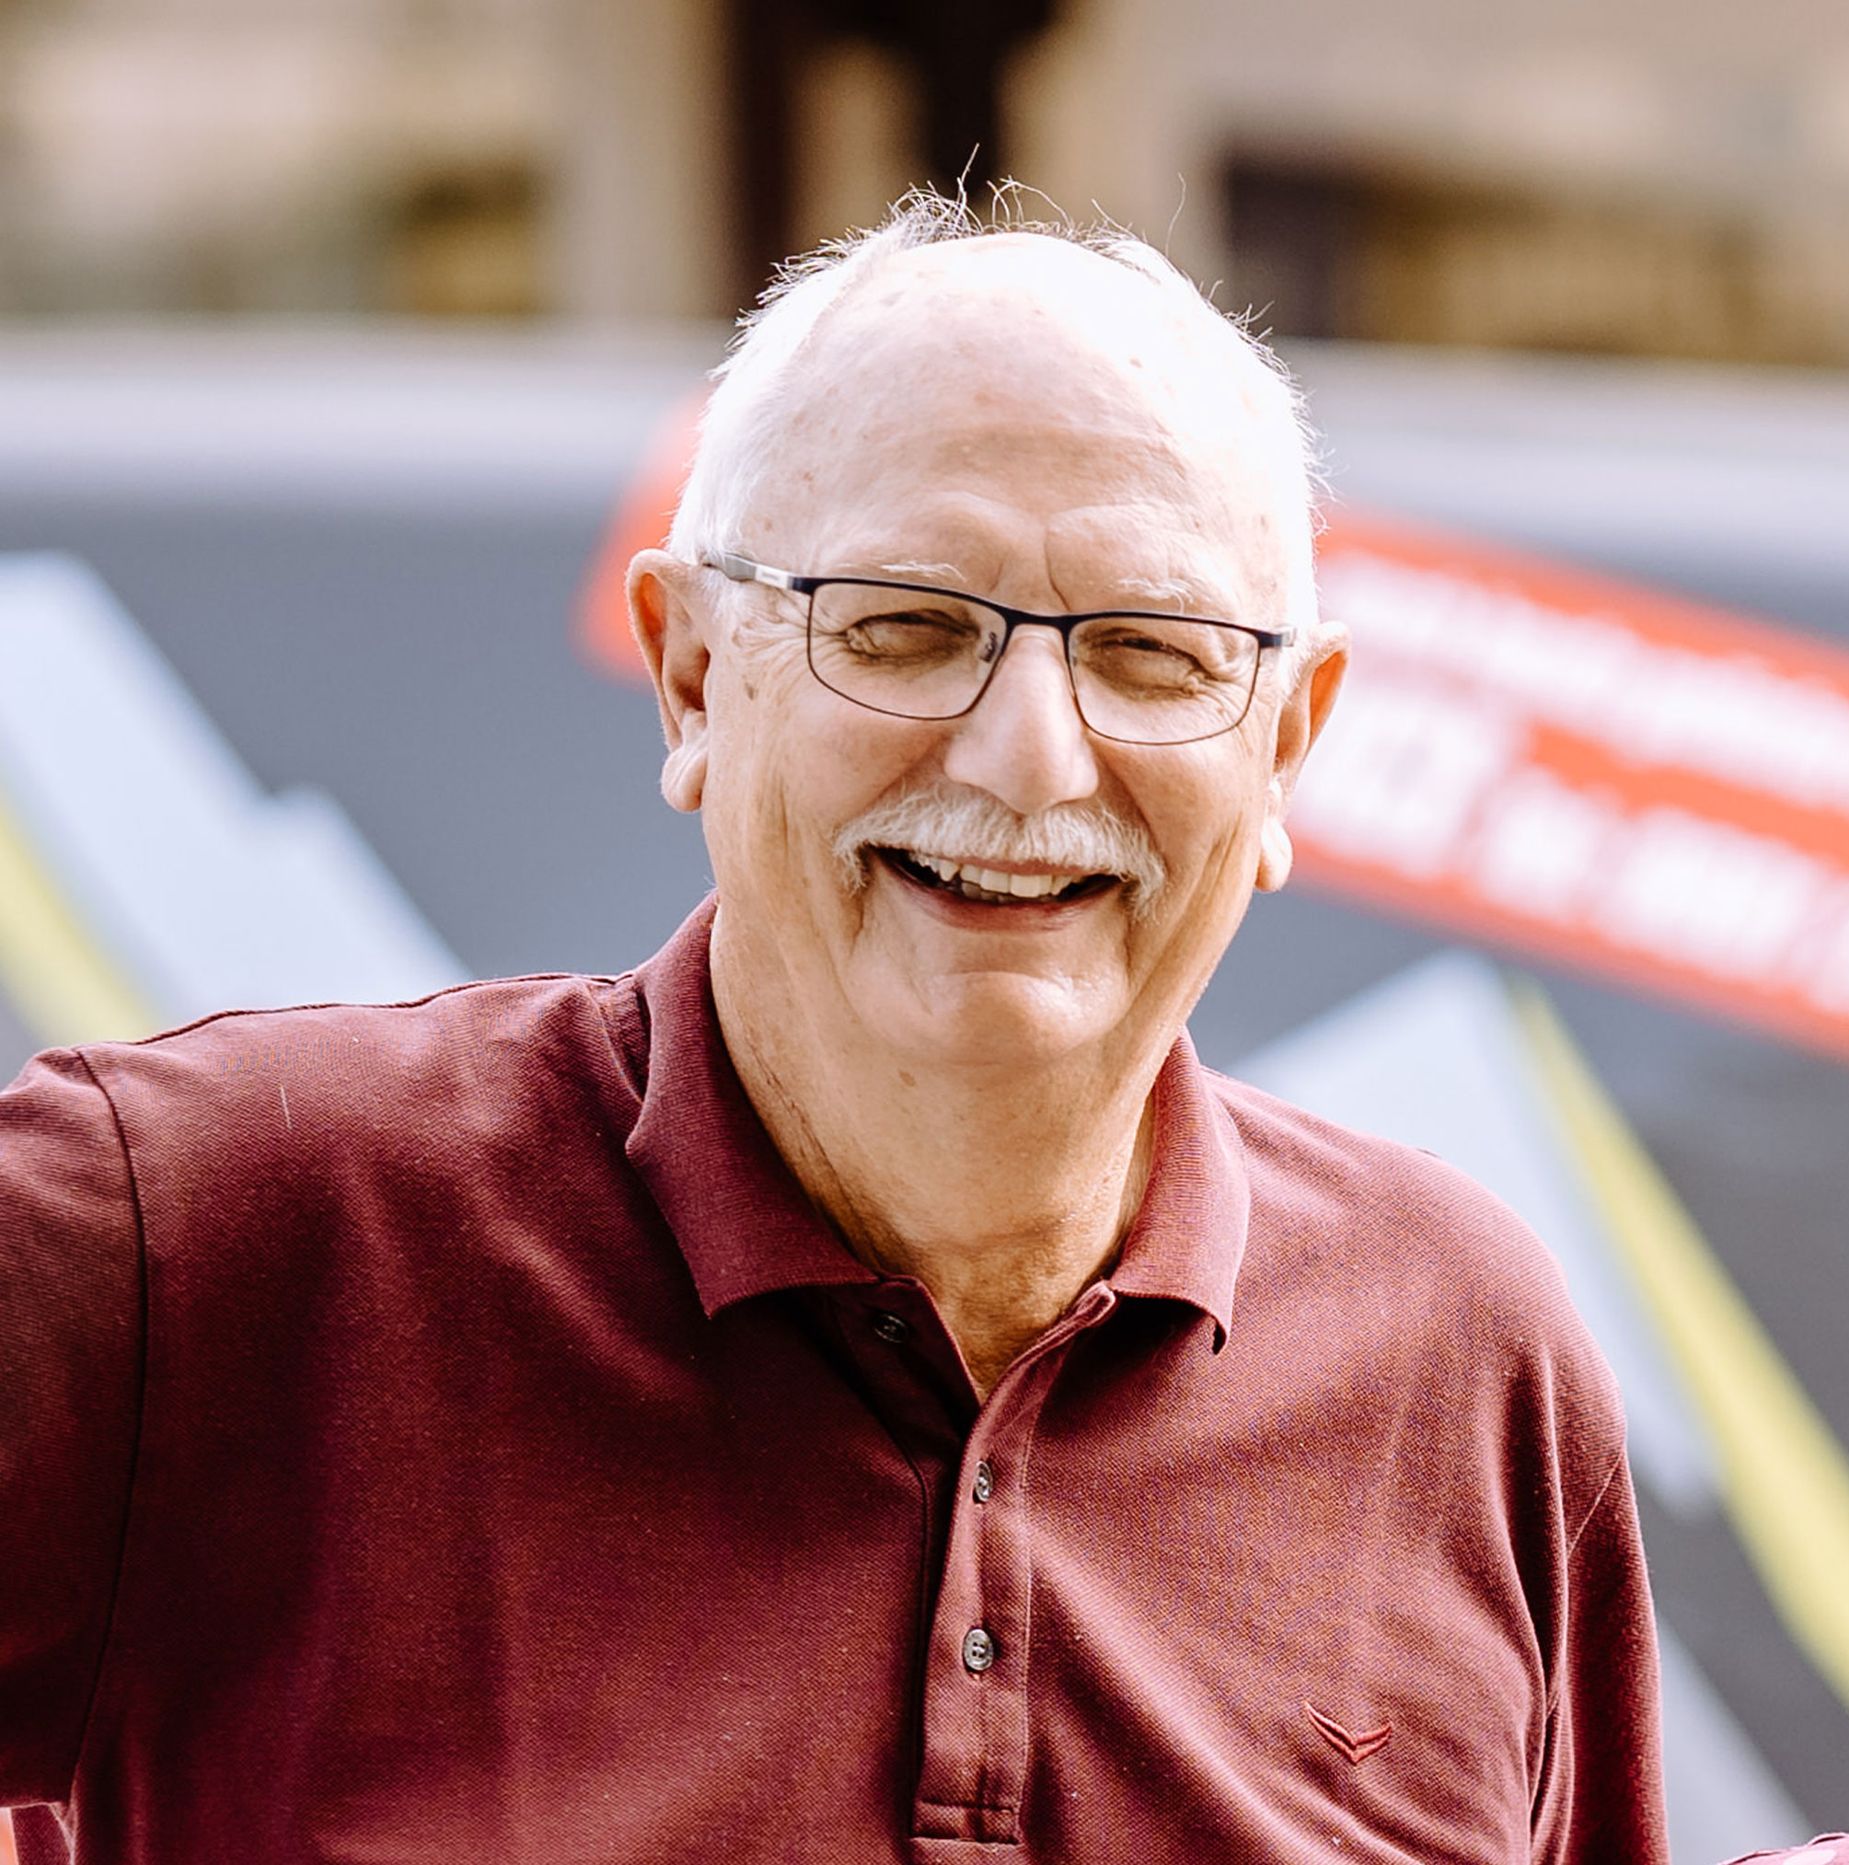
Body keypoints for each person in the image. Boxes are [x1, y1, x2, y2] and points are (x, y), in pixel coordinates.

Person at [0, 193, 1667, 1862]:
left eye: (1154, 656)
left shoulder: (1461, 1351)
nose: (1031, 758)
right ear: (698, 678)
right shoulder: (208, 1235)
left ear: (1288, 749)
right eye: (907, 628)